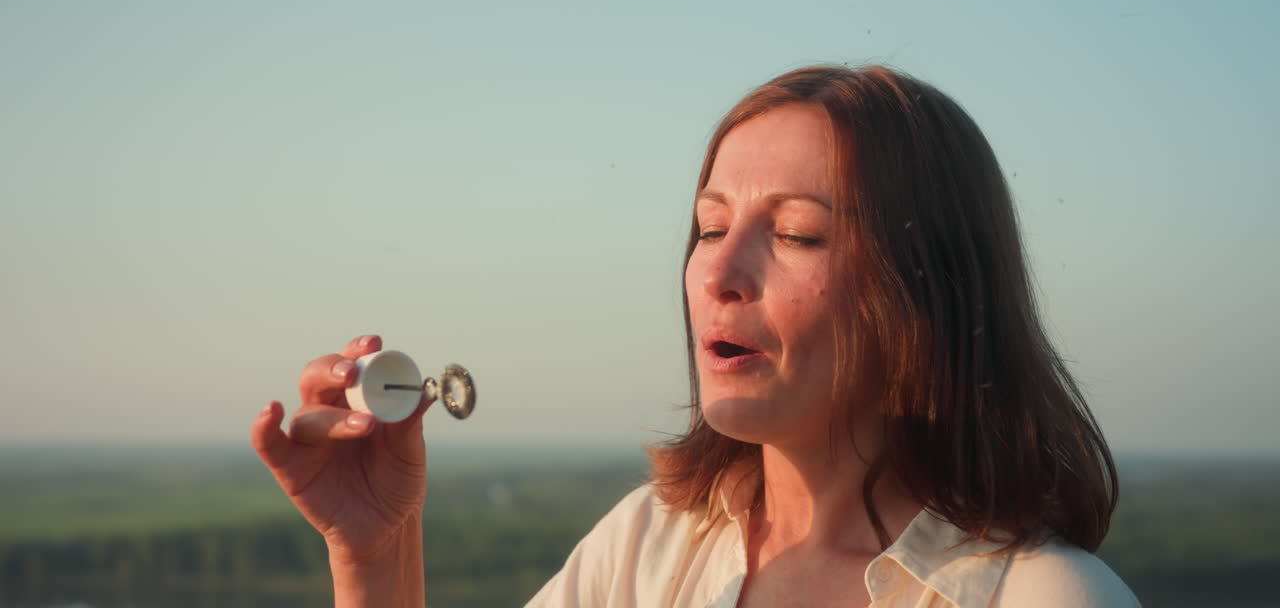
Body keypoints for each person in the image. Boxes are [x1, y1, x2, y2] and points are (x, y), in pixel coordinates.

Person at [251, 65, 1141, 607]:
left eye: (794, 233)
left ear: (928, 295)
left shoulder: (1042, 599)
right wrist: (374, 555)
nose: (719, 272)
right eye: (710, 228)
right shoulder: (647, 550)